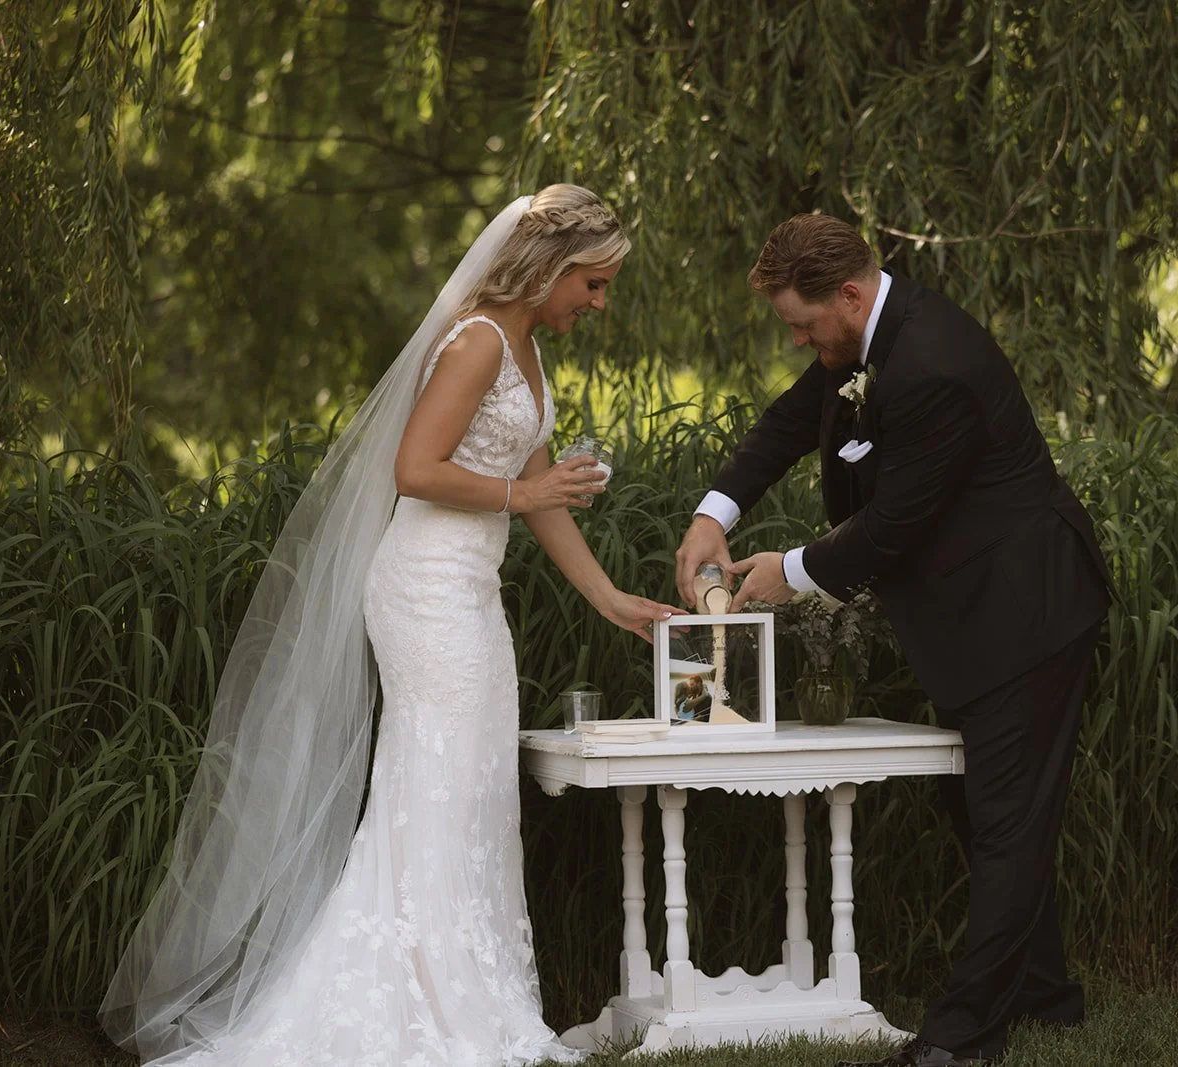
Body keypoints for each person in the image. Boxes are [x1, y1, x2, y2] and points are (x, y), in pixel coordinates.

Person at [103, 185, 682, 1066]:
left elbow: (536, 499)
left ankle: (467, 996)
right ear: (549, 268)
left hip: (471, 592)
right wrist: (526, 488)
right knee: (435, 786)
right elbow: (416, 467)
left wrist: (609, 597)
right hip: (424, 591)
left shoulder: (526, 349)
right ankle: (413, 1005)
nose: (598, 303)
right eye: (592, 284)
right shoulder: (479, 341)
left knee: (473, 789)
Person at [675, 214, 1112, 1066]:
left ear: (848, 293)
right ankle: (1044, 993)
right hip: (977, 612)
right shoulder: (861, 341)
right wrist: (711, 515)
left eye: (803, 325)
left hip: (1027, 608)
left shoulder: (932, 364)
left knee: (1005, 821)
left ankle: (960, 1037)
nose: (798, 341)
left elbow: (897, 522)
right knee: (986, 812)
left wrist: (790, 570)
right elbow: (789, 422)